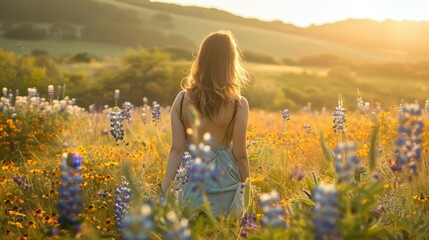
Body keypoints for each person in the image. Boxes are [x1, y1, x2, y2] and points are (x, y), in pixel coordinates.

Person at [161, 30, 250, 218]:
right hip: (224, 178)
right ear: (230, 62)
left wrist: (165, 189)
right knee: (224, 232)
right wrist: (248, 190)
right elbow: (240, 155)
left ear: (201, 59)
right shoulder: (238, 104)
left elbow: (177, 149)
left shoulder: (182, 98)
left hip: (191, 176)